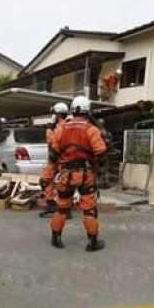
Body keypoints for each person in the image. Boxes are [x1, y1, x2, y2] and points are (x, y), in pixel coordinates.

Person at [49, 96, 107, 252]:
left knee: (61, 208)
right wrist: (98, 170)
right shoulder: (91, 130)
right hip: (86, 174)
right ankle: (92, 242)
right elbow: (101, 153)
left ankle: (56, 238)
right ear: (88, 110)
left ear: (73, 110)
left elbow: (53, 154)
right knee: (89, 209)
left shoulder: (61, 129)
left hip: (65, 175)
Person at [39, 102, 70, 218]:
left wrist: (49, 130)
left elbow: (53, 144)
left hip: (57, 159)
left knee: (47, 181)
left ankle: (56, 206)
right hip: (63, 160)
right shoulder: (66, 126)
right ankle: (61, 207)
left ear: (57, 114)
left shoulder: (59, 128)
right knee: (61, 183)